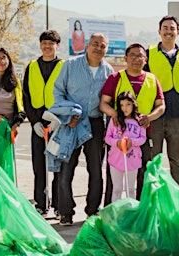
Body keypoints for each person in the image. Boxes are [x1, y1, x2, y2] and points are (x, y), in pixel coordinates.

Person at [53, 33, 114, 225]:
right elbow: (58, 91)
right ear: (87, 45)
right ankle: (65, 212)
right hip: (71, 122)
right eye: (95, 44)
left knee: (96, 170)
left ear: (106, 49)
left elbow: (110, 100)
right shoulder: (70, 66)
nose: (98, 48)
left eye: (102, 46)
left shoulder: (109, 71)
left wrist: (108, 127)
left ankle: (92, 210)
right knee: (66, 169)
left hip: (95, 123)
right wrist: (67, 115)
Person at [100, 43, 165, 202]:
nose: (136, 59)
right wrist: (114, 113)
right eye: (133, 55)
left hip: (141, 137)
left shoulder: (152, 79)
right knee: (114, 180)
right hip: (118, 138)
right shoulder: (115, 78)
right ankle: (111, 210)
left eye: (140, 56)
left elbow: (161, 106)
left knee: (141, 176)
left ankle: (139, 210)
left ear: (145, 59)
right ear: (126, 58)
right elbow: (103, 103)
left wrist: (149, 117)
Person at [143, 15, 179, 192]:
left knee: (177, 161)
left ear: (178, 32)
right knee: (153, 160)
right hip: (154, 117)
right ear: (159, 31)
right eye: (165, 28)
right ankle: (153, 197)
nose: (168, 31)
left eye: (172, 28)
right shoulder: (148, 55)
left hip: (177, 117)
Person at [22, 30, 63, 218]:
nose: (47, 47)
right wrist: (34, 122)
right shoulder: (31, 66)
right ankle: (40, 203)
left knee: (57, 166)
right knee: (39, 166)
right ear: (40, 45)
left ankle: (58, 204)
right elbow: (26, 96)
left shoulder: (64, 66)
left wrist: (59, 120)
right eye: (44, 43)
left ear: (57, 46)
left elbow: (68, 94)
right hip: (38, 121)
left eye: (51, 44)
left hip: (57, 121)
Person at [105, 91, 146, 202]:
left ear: (133, 104)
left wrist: (131, 142)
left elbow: (143, 138)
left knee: (131, 188)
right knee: (117, 189)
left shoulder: (139, 120)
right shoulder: (115, 120)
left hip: (133, 160)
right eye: (122, 105)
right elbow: (107, 138)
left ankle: (131, 212)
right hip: (116, 160)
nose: (125, 108)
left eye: (128, 104)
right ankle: (116, 213)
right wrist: (117, 142)